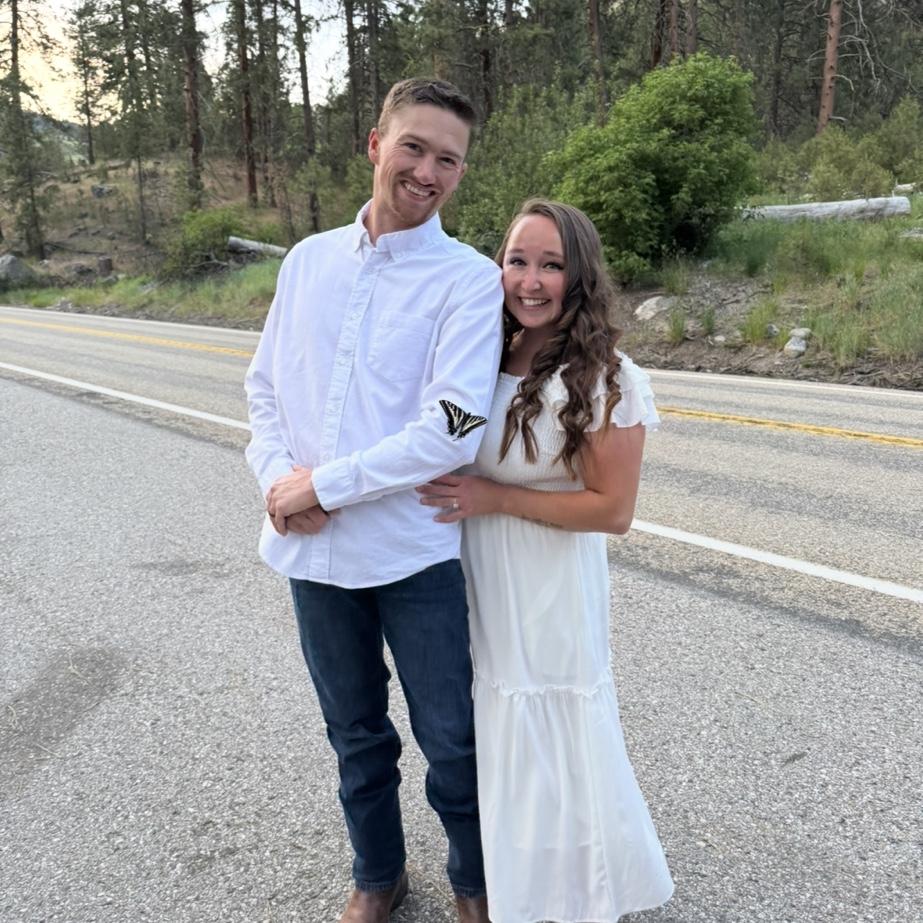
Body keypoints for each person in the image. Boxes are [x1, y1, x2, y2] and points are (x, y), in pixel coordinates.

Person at [244, 78, 503, 923]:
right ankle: (377, 876)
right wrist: (280, 486)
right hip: (314, 555)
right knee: (355, 733)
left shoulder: (468, 282)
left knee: (452, 740)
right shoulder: (307, 261)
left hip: (411, 553)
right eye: (413, 147)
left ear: (461, 172)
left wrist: (322, 485)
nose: (426, 171)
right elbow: (263, 388)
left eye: (447, 159)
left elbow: (453, 428)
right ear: (374, 144)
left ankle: (476, 884)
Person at [418, 199, 675, 922]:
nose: (530, 281)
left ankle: (578, 895)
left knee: (551, 727)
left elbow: (612, 510)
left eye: (551, 265)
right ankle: (520, 891)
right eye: (517, 261)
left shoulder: (604, 377)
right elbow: (442, 439)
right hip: (479, 575)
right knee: (499, 730)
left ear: (579, 274)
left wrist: (493, 497)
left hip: (549, 584)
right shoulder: (482, 357)